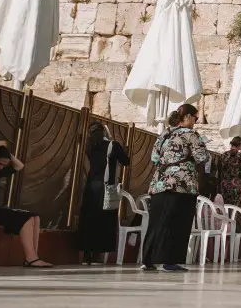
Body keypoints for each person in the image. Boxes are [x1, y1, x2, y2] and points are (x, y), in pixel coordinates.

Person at [141, 104, 210, 272]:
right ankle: (169, 262)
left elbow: (154, 157)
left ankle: (147, 260)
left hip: (159, 183)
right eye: (195, 118)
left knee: (156, 222)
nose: (195, 121)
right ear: (187, 117)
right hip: (182, 185)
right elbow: (202, 158)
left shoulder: (164, 134)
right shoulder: (192, 135)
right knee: (177, 223)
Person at [77, 121, 130, 264]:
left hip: (91, 186)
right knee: (103, 219)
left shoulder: (89, 146)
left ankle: (86, 255)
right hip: (106, 187)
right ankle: (97, 254)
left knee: (89, 219)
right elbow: (126, 161)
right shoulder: (112, 145)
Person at [216, 136, 241, 206]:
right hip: (237, 188)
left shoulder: (224, 155)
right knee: (234, 208)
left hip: (224, 186)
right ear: (239, 145)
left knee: (224, 206)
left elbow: (219, 169)